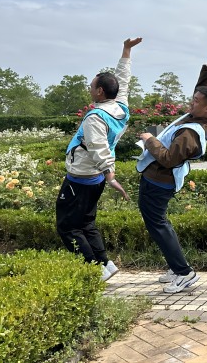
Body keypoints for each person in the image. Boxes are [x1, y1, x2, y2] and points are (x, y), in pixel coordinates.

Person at [136, 51, 207, 294]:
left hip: (159, 182)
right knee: (158, 223)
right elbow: (203, 88)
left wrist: (149, 140)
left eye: (196, 101)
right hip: (156, 179)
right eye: (193, 98)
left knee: (158, 224)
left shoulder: (191, 133)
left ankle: (184, 272)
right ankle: (175, 266)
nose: (191, 102)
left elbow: (169, 159)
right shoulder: (197, 114)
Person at [56, 37, 140, 282]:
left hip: (81, 177)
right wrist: (126, 51)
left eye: (92, 86)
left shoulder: (95, 117)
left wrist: (110, 175)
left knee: (67, 227)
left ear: (100, 91)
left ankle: (94, 268)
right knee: (86, 223)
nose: (90, 88)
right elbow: (122, 79)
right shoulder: (120, 107)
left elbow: (98, 147)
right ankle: (105, 264)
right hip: (94, 178)